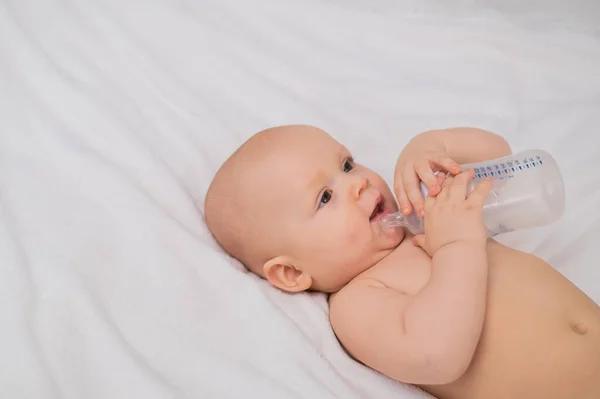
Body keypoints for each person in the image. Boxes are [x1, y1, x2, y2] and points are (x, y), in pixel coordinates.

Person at [204, 125, 600, 399]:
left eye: (346, 164)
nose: (358, 182)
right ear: (291, 273)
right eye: (325, 197)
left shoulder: (422, 217)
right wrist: (457, 246)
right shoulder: (358, 302)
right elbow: (436, 355)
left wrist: (433, 144)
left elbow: (501, 158)